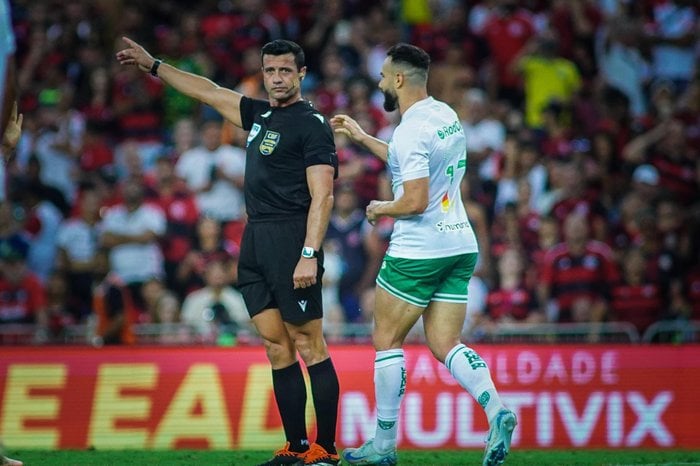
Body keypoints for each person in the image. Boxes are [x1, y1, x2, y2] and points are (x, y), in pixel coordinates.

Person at [117, 38, 340, 466]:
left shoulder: (311, 123)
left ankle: (326, 451)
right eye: (270, 71)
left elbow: (324, 195)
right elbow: (207, 91)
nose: (277, 78)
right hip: (254, 239)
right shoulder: (259, 115)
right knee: (276, 346)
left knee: (309, 343)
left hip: (292, 237)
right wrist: (154, 65)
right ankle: (295, 448)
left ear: (301, 75)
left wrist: (309, 252)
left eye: (285, 71)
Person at [331, 43, 516, 466]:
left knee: (386, 341)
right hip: (458, 243)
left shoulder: (410, 129)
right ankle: (496, 409)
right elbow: (409, 161)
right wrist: (362, 138)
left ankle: (383, 444)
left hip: (420, 248)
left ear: (398, 79)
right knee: (445, 341)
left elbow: (413, 199)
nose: (379, 82)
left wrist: (380, 207)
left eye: (382, 75)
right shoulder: (444, 115)